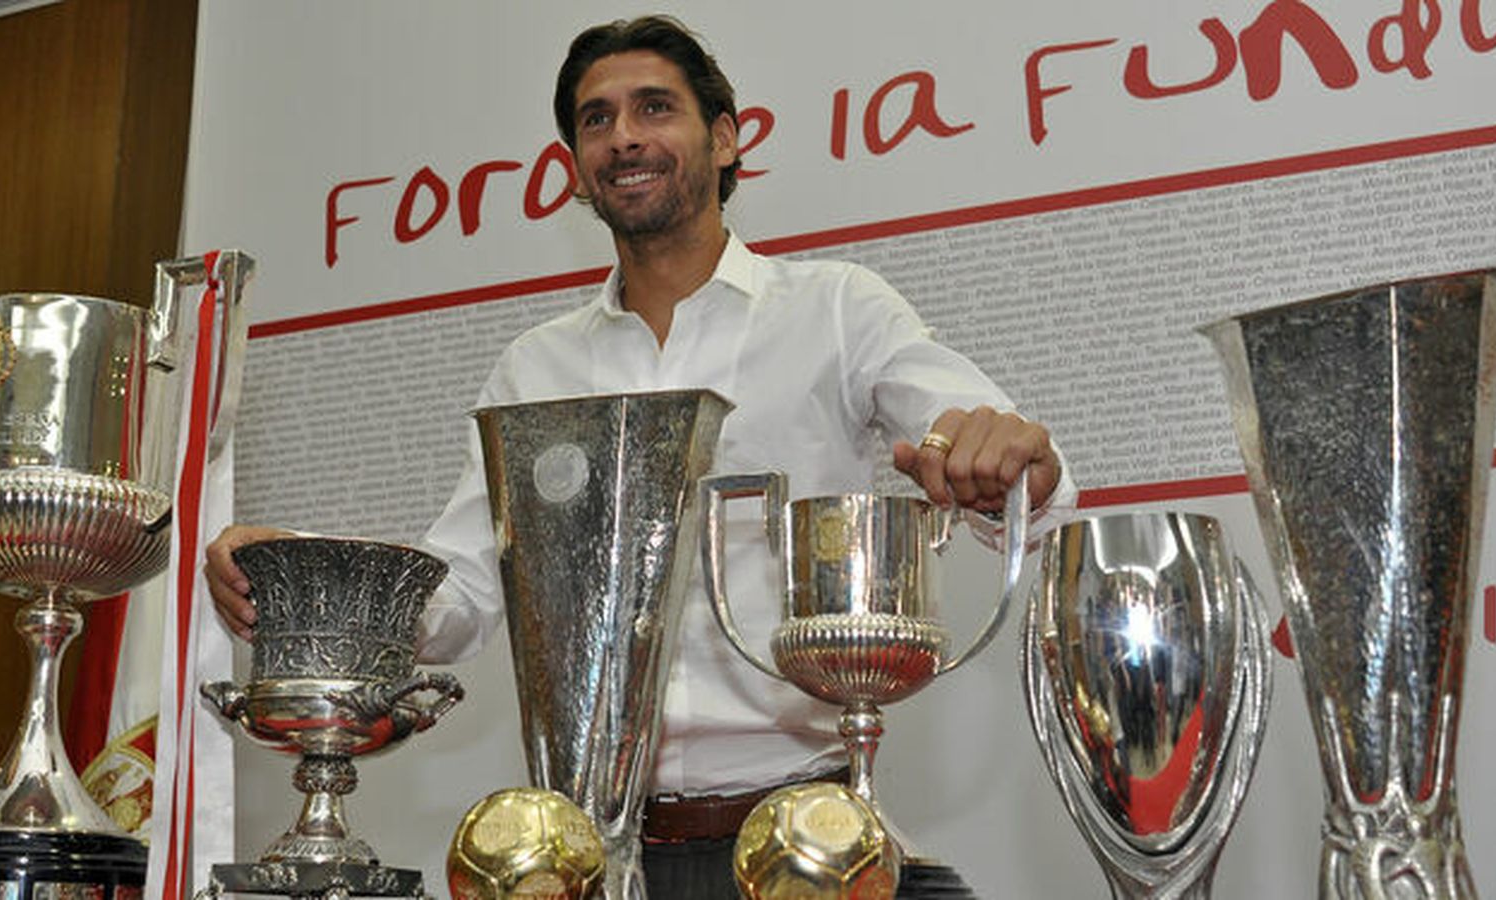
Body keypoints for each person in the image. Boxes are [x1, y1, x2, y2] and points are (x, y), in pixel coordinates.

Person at [207, 15, 1075, 898]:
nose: (624, 136)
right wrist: (308, 573)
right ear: (575, 165)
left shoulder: (838, 311)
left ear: (726, 136)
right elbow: (461, 602)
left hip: (805, 846)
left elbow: (1024, 477)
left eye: (654, 108)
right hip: (586, 855)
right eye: (596, 119)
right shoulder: (534, 369)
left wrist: (1010, 461)